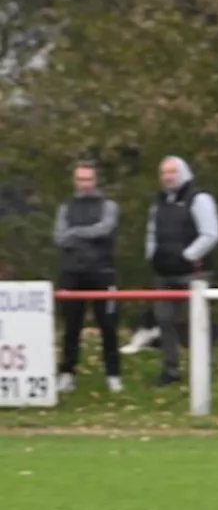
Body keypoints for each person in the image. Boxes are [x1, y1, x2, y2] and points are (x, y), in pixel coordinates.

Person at [146, 156, 218, 387]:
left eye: (173, 172)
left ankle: (204, 366)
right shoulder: (158, 203)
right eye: (164, 173)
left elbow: (210, 234)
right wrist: (152, 256)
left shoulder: (199, 199)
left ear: (184, 173)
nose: (168, 177)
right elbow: (151, 233)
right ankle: (171, 369)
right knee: (164, 320)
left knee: (195, 321)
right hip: (164, 273)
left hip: (192, 273)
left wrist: (187, 256)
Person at [53, 160, 123, 393]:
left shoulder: (108, 205)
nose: (84, 184)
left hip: (103, 272)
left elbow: (105, 228)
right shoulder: (66, 207)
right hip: (72, 273)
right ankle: (67, 373)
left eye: (88, 179)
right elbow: (59, 237)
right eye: (80, 179)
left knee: (108, 326)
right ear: (75, 181)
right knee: (71, 326)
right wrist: (83, 234)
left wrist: (76, 233)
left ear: (95, 180)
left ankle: (113, 374)